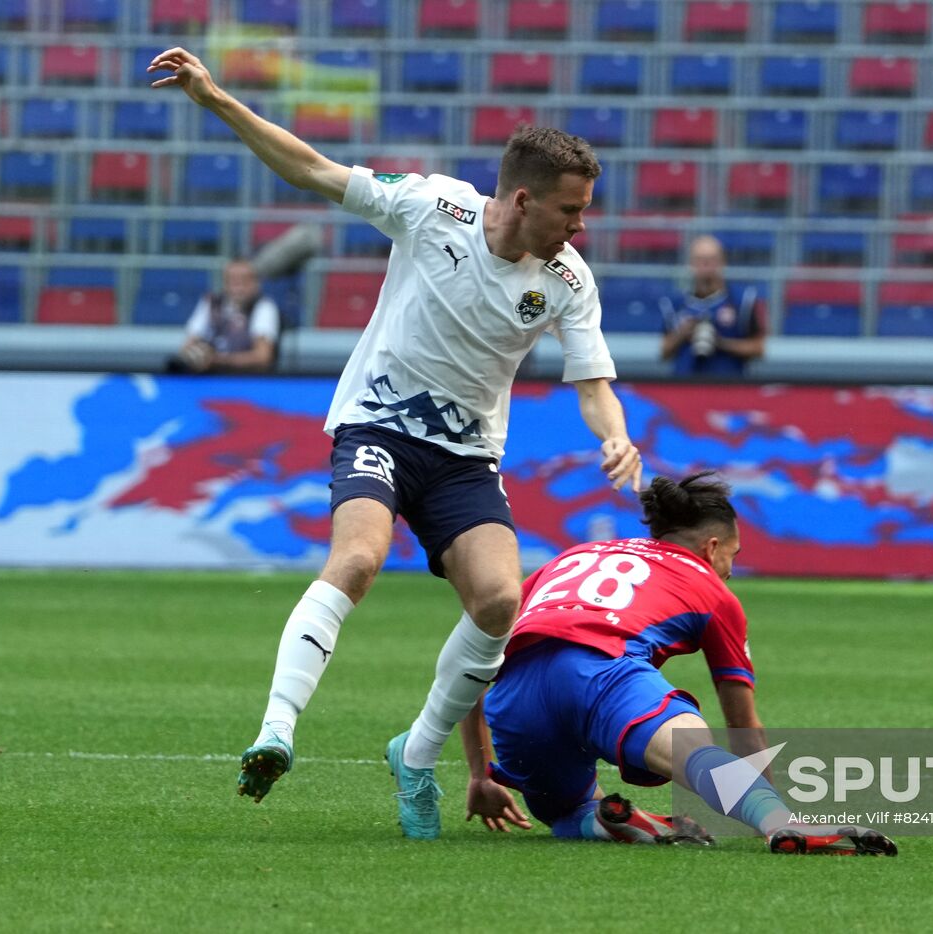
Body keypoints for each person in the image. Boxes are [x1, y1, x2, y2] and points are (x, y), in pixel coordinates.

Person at [148, 47, 644, 839]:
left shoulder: (568, 279)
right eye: (571, 211)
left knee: (500, 601)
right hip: (379, 423)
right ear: (522, 198)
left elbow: (592, 383)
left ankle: (414, 755)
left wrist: (617, 438)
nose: (581, 226)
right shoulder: (431, 207)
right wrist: (217, 101)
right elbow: (311, 169)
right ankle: (277, 728)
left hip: (465, 456)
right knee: (358, 559)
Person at [458, 473, 899, 857]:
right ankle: (786, 826)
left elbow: (473, 656)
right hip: (603, 673)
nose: (728, 569)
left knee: (565, 812)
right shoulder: (712, 589)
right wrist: (766, 810)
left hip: (515, 695)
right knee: (695, 751)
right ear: (711, 548)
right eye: (733, 555)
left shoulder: (577, 554)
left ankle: (606, 821)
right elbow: (742, 721)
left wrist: (481, 773)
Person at [659, 236, 767, 378]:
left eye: (711, 259)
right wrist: (683, 333)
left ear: (722, 262)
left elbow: (758, 348)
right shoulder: (675, 304)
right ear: (691, 264)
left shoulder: (742, 301)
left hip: (728, 385)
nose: (706, 264)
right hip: (685, 387)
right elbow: (664, 352)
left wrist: (721, 343)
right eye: (700, 259)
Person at [167, 259, 281, 374]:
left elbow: (263, 357)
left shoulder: (264, 306)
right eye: (233, 280)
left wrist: (217, 360)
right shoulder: (210, 302)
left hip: (248, 380)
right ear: (224, 282)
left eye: (244, 280)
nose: (238, 287)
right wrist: (197, 356)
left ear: (256, 283)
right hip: (208, 378)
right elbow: (187, 345)